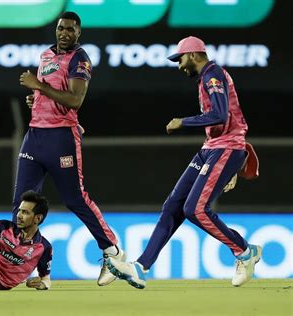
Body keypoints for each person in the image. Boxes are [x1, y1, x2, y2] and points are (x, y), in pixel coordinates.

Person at [107, 36, 261, 289]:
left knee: (196, 210)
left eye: (180, 59)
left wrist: (183, 121)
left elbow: (220, 116)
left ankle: (245, 252)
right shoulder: (208, 77)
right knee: (173, 205)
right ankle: (140, 267)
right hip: (212, 148)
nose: (179, 66)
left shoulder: (212, 75)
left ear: (192, 55)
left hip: (226, 147)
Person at [17, 11, 124, 286]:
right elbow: (53, 92)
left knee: (75, 198)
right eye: (61, 28)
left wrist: (38, 85)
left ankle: (112, 251)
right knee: (21, 204)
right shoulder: (45, 56)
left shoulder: (80, 58)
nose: (64, 33)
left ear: (79, 33)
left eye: (70, 29)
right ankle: (32, 267)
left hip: (61, 137)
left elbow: (75, 100)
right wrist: (37, 98)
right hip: (34, 136)